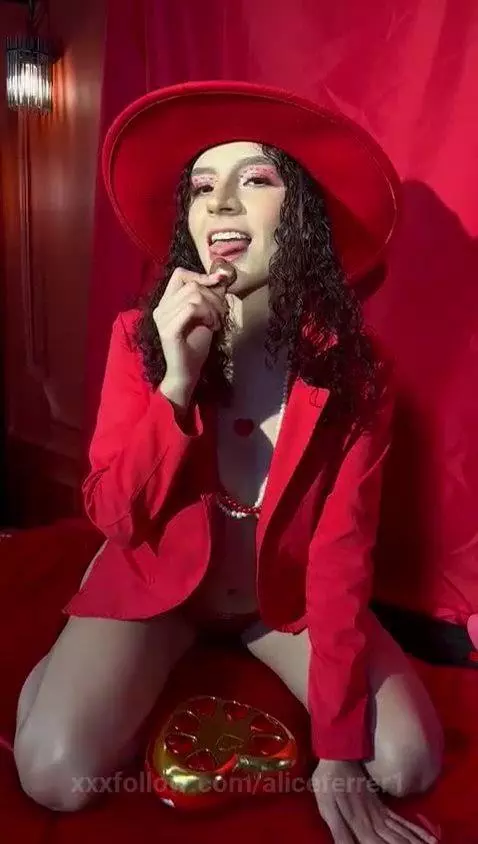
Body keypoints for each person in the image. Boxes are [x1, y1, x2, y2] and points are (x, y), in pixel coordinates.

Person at [13, 81, 443, 843]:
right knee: (55, 775)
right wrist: (175, 386)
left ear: (300, 214)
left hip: (279, 604)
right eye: (203, 186)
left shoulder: (357, 371)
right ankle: (75, 651)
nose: (221, 204)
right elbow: (113, 514)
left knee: (407, 762)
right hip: (162, 589)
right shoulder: (136, 339)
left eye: (256, 179)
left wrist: (338, 753)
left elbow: (342, 553)